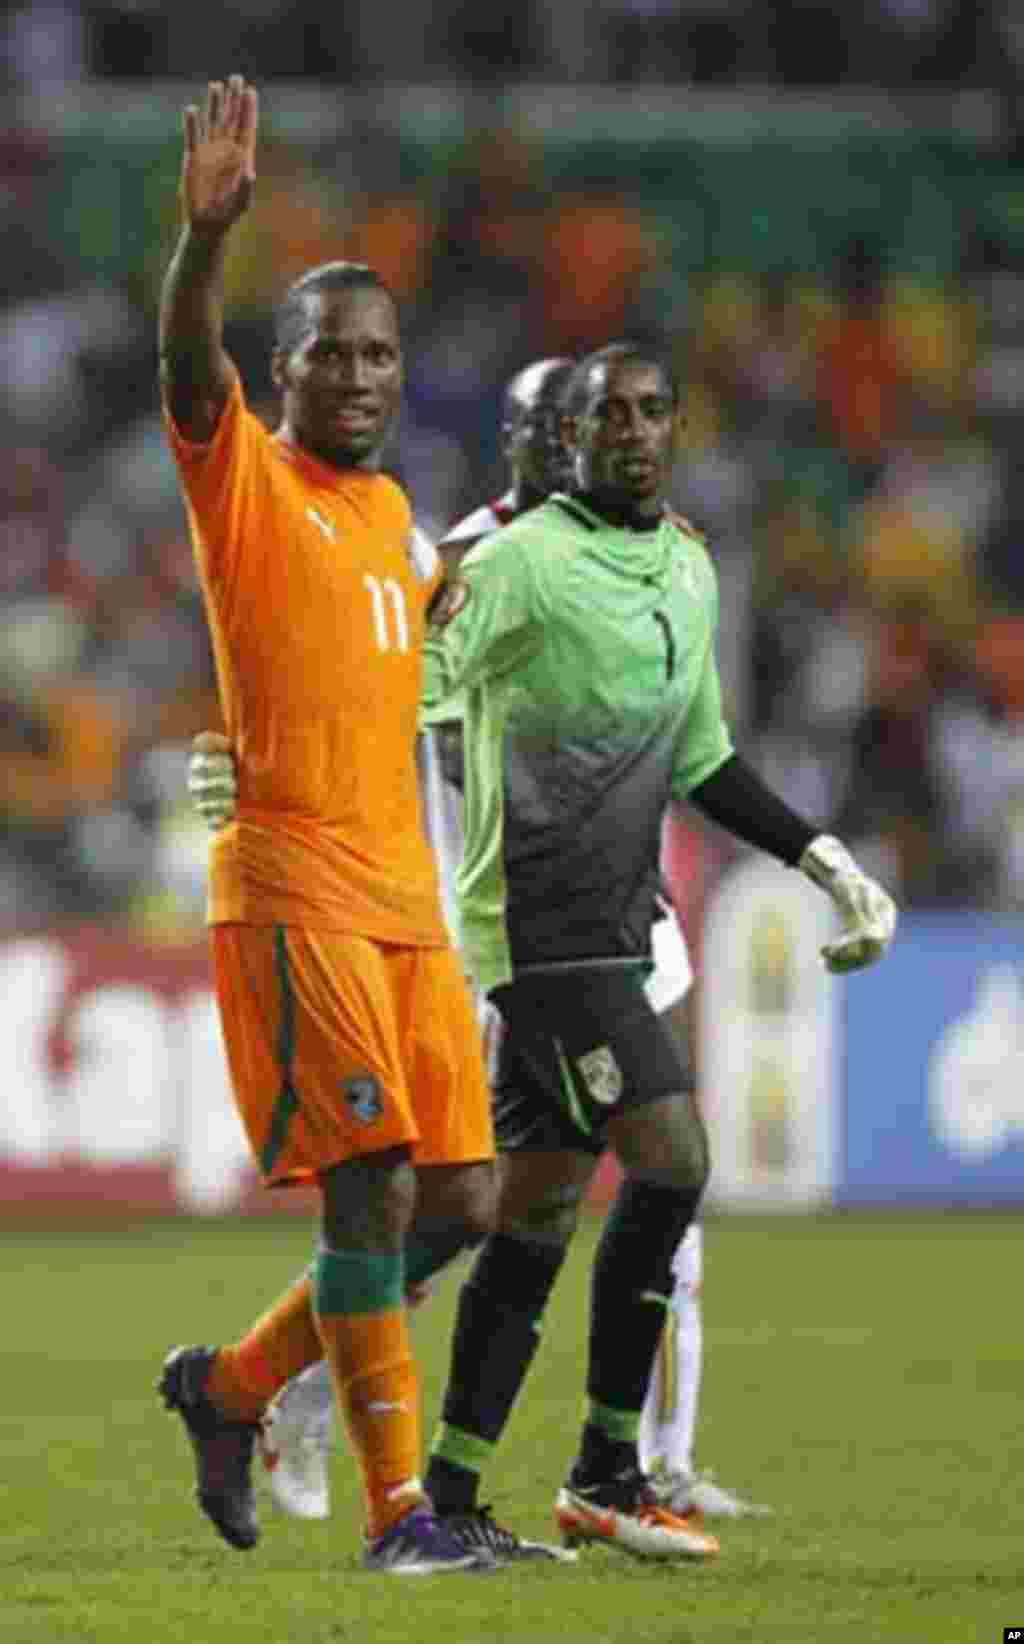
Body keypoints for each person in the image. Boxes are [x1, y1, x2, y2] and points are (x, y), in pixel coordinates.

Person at [189, 344, 894, 1559]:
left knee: (510, 1211)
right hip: (476, 922)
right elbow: (362, 676)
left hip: (617, 923)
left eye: (640, 411)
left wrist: (824, 861)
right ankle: (584, 1465)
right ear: (544, 437)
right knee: (628, 1174)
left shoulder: (678, 562)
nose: (600, 434)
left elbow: (698, 752)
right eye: (576, 419)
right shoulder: (477, 561)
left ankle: (388, 1443)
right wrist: (245, 758)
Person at [155, 74, 498, 1576]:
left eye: (380, 355)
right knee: (368, 1192)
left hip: (408, 903)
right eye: (330, 356)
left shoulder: (392, 519)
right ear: (280, 373)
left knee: (464, 1199)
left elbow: (396, 654)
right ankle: (399, 1519)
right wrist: (204, 247)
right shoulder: (241, 475)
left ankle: (231, 1389)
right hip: (297, 890)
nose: (359, 376)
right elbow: (182, 366)